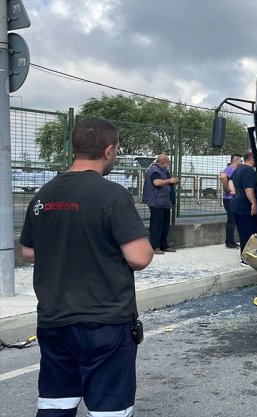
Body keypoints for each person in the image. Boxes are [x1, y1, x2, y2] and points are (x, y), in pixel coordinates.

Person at [19, 117, 154, 417]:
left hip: (54, 320)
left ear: (75, 148)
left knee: (56, 403)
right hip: (104, 322)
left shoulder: (43, 195)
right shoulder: (112, 195)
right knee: (109, 409)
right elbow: (140, 256)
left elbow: (29, 251)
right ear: (108, 151)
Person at [231, 149, 257, 260]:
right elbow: (248, 189)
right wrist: (254, 204)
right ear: (252, 158)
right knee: (250, 233)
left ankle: (246, 256)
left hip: (238, 205)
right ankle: (246, 258)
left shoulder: (238, 170)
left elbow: (232, 183)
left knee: (244, 233)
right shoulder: (249, 171)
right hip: (247, 208)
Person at [142, 154, 179, 254]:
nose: (169, 165)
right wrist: (170, 180)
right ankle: (154, 247)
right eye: (168, 162)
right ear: (162, 162)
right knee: (156, 225)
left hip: (164, 202)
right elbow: (157, 182)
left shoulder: (163, 171)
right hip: (156, 202)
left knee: (165, 225)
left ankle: (164, 245)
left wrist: (173, 182)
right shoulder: (154, 170)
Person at [220, 154, 242, 248]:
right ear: (236, 160)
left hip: (232, 198)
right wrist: (227, 187)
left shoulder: (234, 170)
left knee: (233, 220)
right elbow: (223, 177)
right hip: (229, 199)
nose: (241, 162)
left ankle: (231, 241)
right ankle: (229, 242)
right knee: (231, 220)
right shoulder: (230, 169)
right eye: (240, 160)